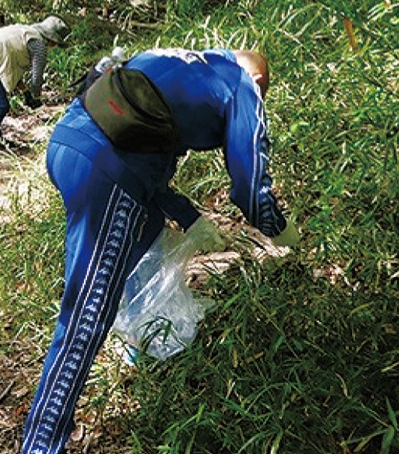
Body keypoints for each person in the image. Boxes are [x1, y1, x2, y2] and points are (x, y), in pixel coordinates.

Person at [21, 48, 300, 454]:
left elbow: (141, 147)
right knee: (86, 314)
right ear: (259, 81)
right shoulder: (243, 86)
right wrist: (283, 231)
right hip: (106, 170)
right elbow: (250, 187)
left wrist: (188, 217)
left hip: (66, 142)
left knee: (147, 231)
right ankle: (41, 445)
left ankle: (141, 343)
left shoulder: (179, 61)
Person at [0, 15, 71, 164]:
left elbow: (10, 66)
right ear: (53, 40)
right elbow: (37, 78)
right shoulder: (39, 46)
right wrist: (36, 97)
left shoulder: (25, 33)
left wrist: (26, 94)